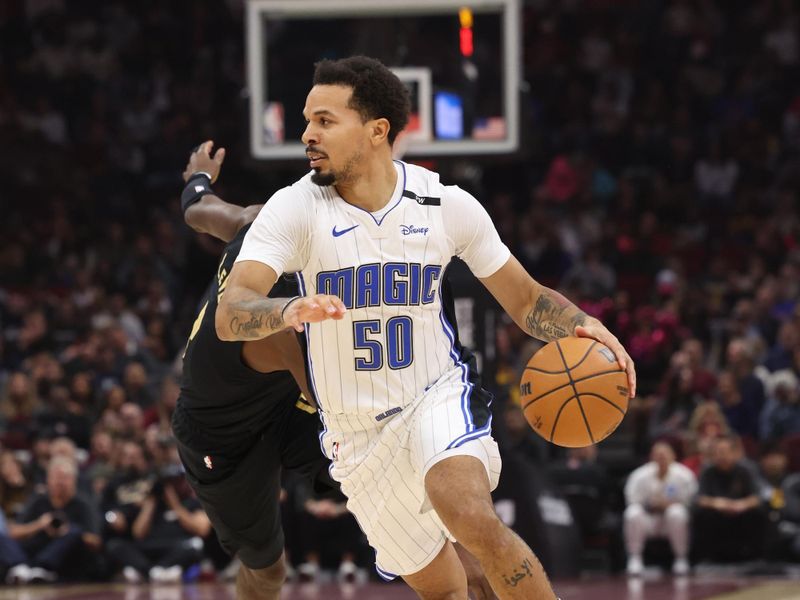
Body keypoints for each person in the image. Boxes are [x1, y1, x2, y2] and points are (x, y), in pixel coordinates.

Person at [215, 55, 636, 599]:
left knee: (468, 514)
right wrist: (284, 310)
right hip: (354, 433)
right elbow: (231, 312)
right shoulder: (294, 209)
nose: (307, 134)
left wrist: (584, 325)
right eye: (307, 120)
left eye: (324, 120)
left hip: (434, 394)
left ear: (376, 131)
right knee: (443, 588)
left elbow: (527, 300)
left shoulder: (445, 204)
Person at [175, 142, 493, 600]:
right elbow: (340, 411)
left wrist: (197, 179)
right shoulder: (283, 312)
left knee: (445, 526)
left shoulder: (265, 224)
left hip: (288, 403)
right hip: (221, 431)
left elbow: (199, 209)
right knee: (268, 571)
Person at [623, 441, 697, 576]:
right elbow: (631, 500)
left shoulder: (684, 475)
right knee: (632, 513)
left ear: (673, 456)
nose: (661, 458)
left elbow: (690, 501)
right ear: (652, 457)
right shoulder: (639, 476)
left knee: (677, 513)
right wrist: (650, 505)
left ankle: (681, 558)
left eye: (665, 455)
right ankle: (635, 558)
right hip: (648, 520)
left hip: (671, 522)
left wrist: (668, 505)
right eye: (658, 455)